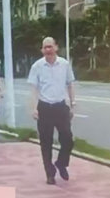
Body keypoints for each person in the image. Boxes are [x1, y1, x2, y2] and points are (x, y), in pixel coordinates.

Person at [28, 37, 76, 185]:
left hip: (61, 107)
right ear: (42, 50)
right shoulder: (37, 66)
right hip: (44, 108)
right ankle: (50, 173)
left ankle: (61, 163)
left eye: (50, 46)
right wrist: (34, 108)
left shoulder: (64, 64)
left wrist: (72, 104)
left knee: (67, 139)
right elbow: (34, 89)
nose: (48, 50)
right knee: (46, 143)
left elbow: (70, 84)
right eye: (45, 47)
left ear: (56, 47)